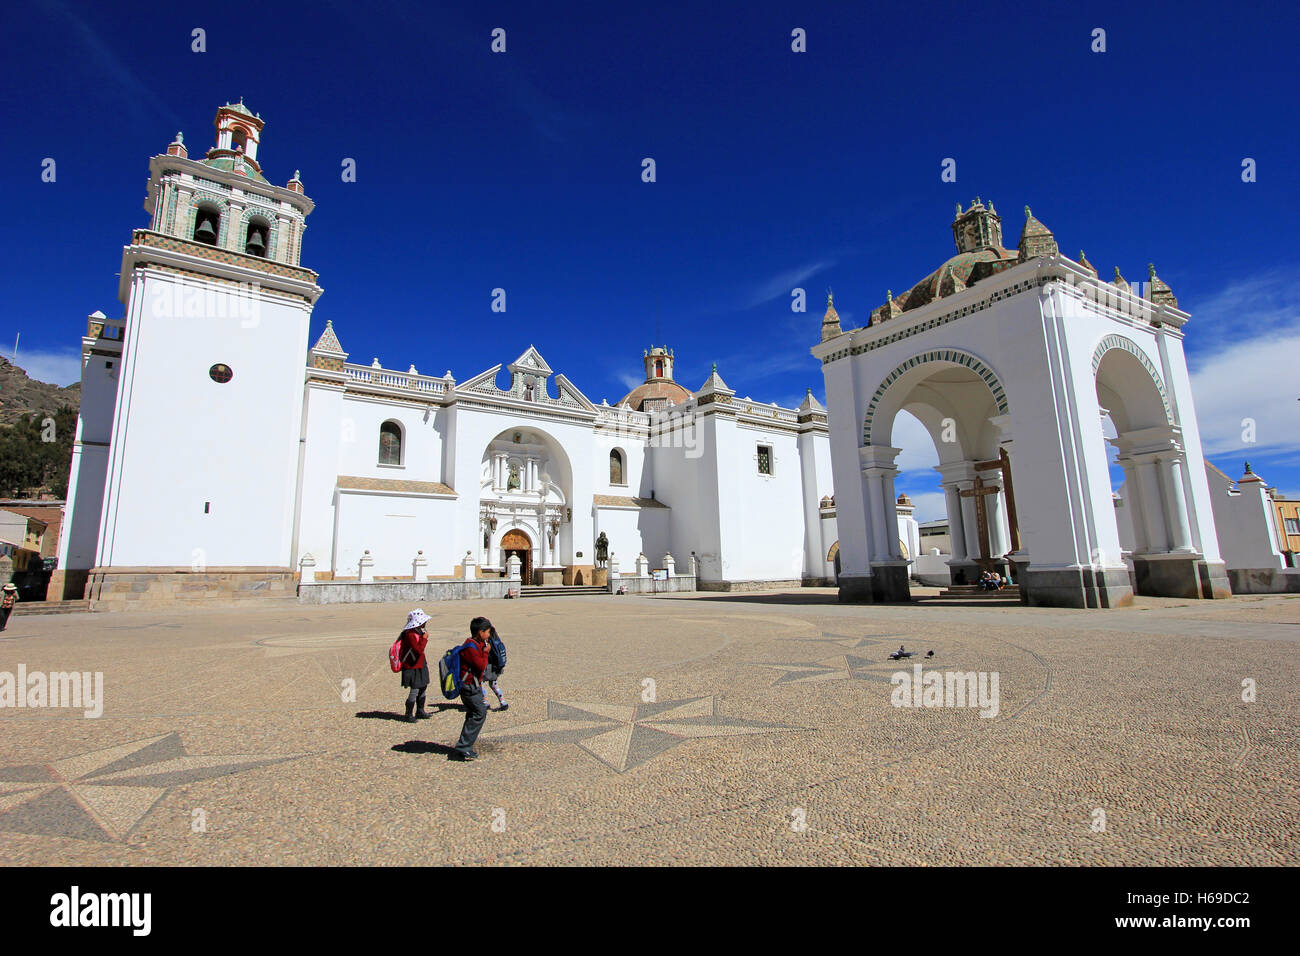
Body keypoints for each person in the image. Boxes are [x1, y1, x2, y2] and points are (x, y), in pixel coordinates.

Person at [451, 617, 492, 761]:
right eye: (488, 632)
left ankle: (464, 745)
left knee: (473, 714)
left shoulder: (474, 643)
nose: (489, 635)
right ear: (480, 632)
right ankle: (464, 747)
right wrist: (486, 652)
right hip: (469, 686)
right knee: (479, 713)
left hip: (472, 685)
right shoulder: (470, 647)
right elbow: (480, 665)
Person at [398, 608, 431, 722]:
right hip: (412, 666)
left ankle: (420, 710)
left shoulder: (418, 631)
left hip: (420, 664)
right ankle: (408, 713)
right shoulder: (410, 634)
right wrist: (424, 639)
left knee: (423, 686)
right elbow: (418, 650)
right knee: (415, 689)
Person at [483, 626, 509, 712]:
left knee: (481, 682)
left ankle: (485, 702)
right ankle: (503, 702)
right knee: (494, 684)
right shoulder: (497, 641)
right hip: (497, 667)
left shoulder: (488, 642)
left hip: (489, 667)